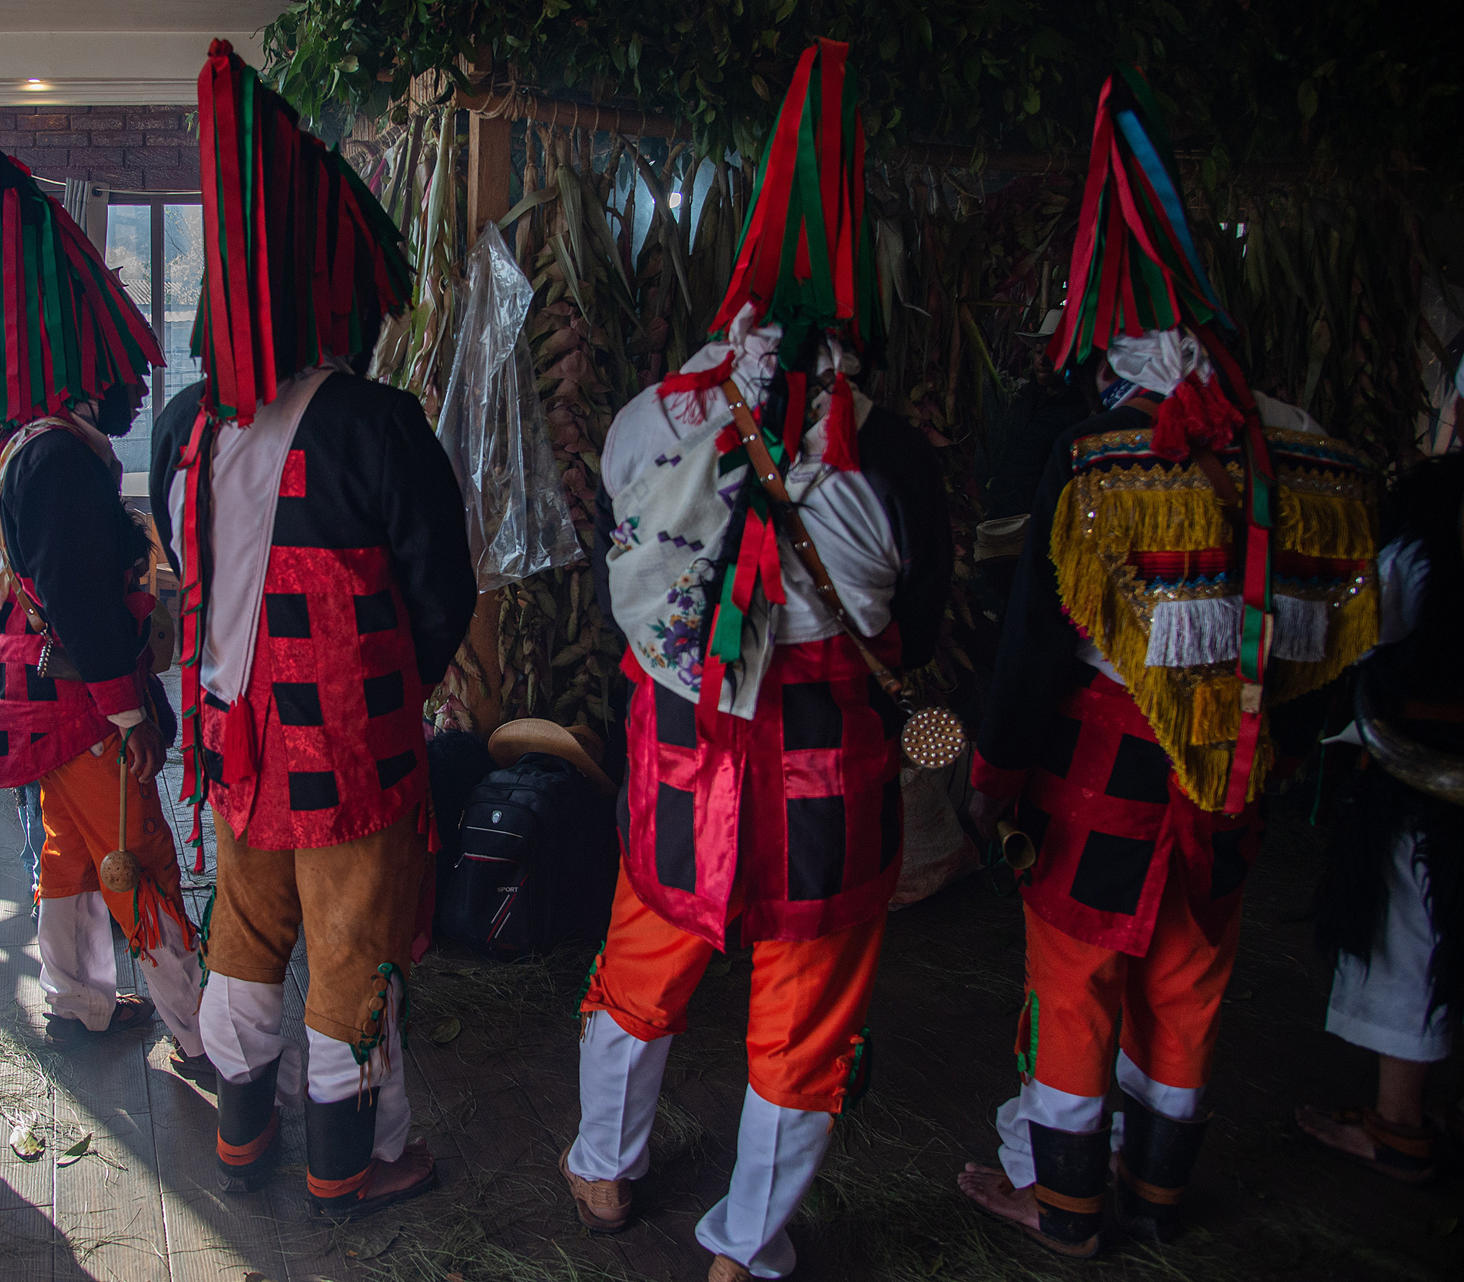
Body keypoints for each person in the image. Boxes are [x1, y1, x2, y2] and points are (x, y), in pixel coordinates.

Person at [956, 69, 1380, 1257]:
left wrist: (992, 768)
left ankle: (1068, 1209)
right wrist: (1288, 736)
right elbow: (1339, 623)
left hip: (1105, 766)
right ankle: (1155, 1195)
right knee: (1191, 984)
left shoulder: (1100, 457)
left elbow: (1040, 644)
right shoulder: (1301, 452)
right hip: (1235, 774)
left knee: (1078, 978)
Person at [563, 41, 951, 1282]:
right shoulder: (895, 460)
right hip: (831, 783)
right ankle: (745, 1246)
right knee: (804, 1019)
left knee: (640, 964)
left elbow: (615, 539)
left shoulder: (650, 420)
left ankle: (603, 1168)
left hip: (683, 762)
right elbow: (923, 628)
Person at [150, 41, 474, 1221]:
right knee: (350, 946)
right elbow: (446, 591)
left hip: (233, 734)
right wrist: (392, 686)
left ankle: (244, 1132)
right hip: (350, 743)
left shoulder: (184, 422)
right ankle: (351, 1161)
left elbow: (182, 558)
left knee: (245, 918)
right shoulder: (379, 423)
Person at [0, 122, 205, 1057]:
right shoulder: (62, 458)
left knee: (68, 847)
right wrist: (133, 713)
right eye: (130, 377)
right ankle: (198, 1036)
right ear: (91, 382)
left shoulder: (37, 446)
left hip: (41, 692)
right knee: (139, 850)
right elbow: (80, 597)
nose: (143, 392)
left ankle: (80, 1000)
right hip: (76, 692)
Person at [1296, 454, 1464, 1185]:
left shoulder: (1431, 528)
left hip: (1429, 777)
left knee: (1411, 935)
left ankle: (1400, 1126)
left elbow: (1364, 626)